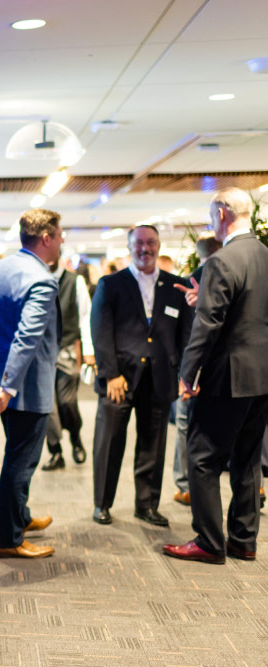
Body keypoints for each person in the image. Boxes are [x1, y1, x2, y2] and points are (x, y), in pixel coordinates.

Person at [165, 188, 268, 564]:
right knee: (248, 458)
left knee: (201, 456)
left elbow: (208, 325)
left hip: (228, 376)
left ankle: (209, 541)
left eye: (211, 217)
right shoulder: (264, 255)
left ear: (222, 214)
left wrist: (187, 373)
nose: (212, 224)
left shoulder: (222, 260)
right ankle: (243, 540)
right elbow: (247, 312)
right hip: (262, 376)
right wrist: (203, 299)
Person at [90, 225, 194, 526]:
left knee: (153, 445)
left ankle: (146, 505)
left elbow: (185, 335)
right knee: (109, 444)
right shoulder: (111, 284)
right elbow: (100, 331)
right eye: (138, 243)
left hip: (159, 377)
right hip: (119, 380)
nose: (144, 249)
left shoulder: (176, 286)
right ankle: (102, 504)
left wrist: (184, 374)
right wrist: (110, 374)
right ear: (129, 246)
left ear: (159, 245)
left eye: (150, 242)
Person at [0, 209, 63, 558]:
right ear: (46, 238)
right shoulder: (41, 279)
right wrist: (8, 389)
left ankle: (20, 518)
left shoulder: (2, 267)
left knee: (16, 452)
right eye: (59, 235)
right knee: (20, 462)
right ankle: (8, 540)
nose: (61, 241)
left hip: (0, 374)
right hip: (23, 386)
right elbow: (26, 338)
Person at [170, 233, 222, 505]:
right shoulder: (232, 280)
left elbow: (184, 335)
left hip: (192, 369)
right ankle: (255, 486)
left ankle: (184, 485)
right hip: (225, 368)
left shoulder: (187, 284)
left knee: (185, 427)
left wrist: (185, 374)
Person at [41, 259, 93, 470]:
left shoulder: (74, 281)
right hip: (41, 351)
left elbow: (85, 316)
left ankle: (75, 436)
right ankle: (55, 451)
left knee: (66, 401)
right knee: (46, 406)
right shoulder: (34, 278)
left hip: (67, 350)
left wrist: (89, 350)